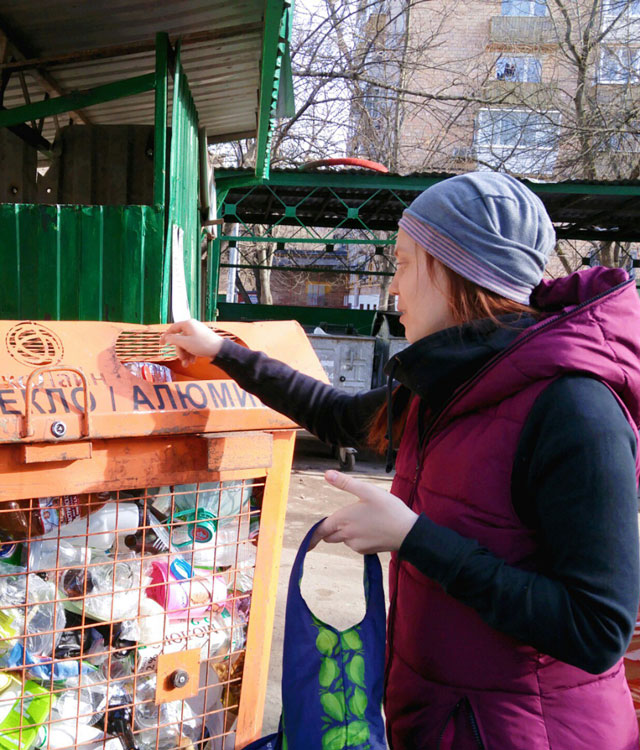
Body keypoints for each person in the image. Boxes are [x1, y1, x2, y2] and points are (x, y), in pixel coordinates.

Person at [162, 172, 640, 749]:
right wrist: (223, 352)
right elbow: (337, 414)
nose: (393, 288)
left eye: (405, 263)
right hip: (443, 719)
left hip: (533, 733)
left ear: (456, 271)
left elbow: (597, 628)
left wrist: (414, 538)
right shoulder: (445, 385)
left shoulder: (575, 409)